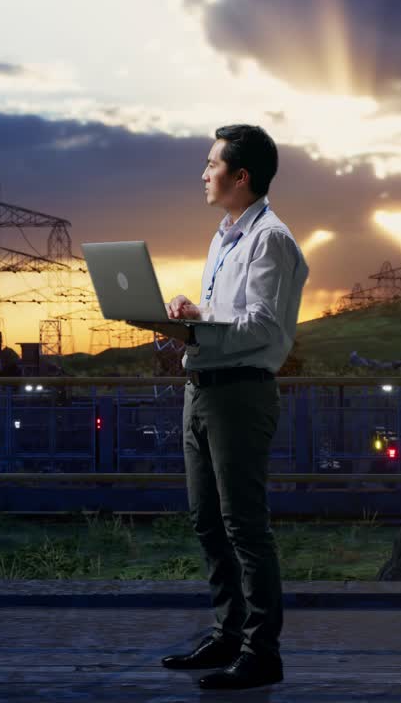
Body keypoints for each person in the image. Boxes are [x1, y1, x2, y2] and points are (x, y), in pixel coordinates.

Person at [127, 124, 308, 690]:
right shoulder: (225, 236)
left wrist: (191, 331)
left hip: (239, 392)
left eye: (211, 164)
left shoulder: (270, 239)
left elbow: (263, 326)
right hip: (201, 389)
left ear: (241, 175)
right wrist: (192, 312)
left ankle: (262, 652)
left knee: (245, 526)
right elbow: (228, 313)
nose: (203, 173)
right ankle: (230, 634)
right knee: (208, 521)